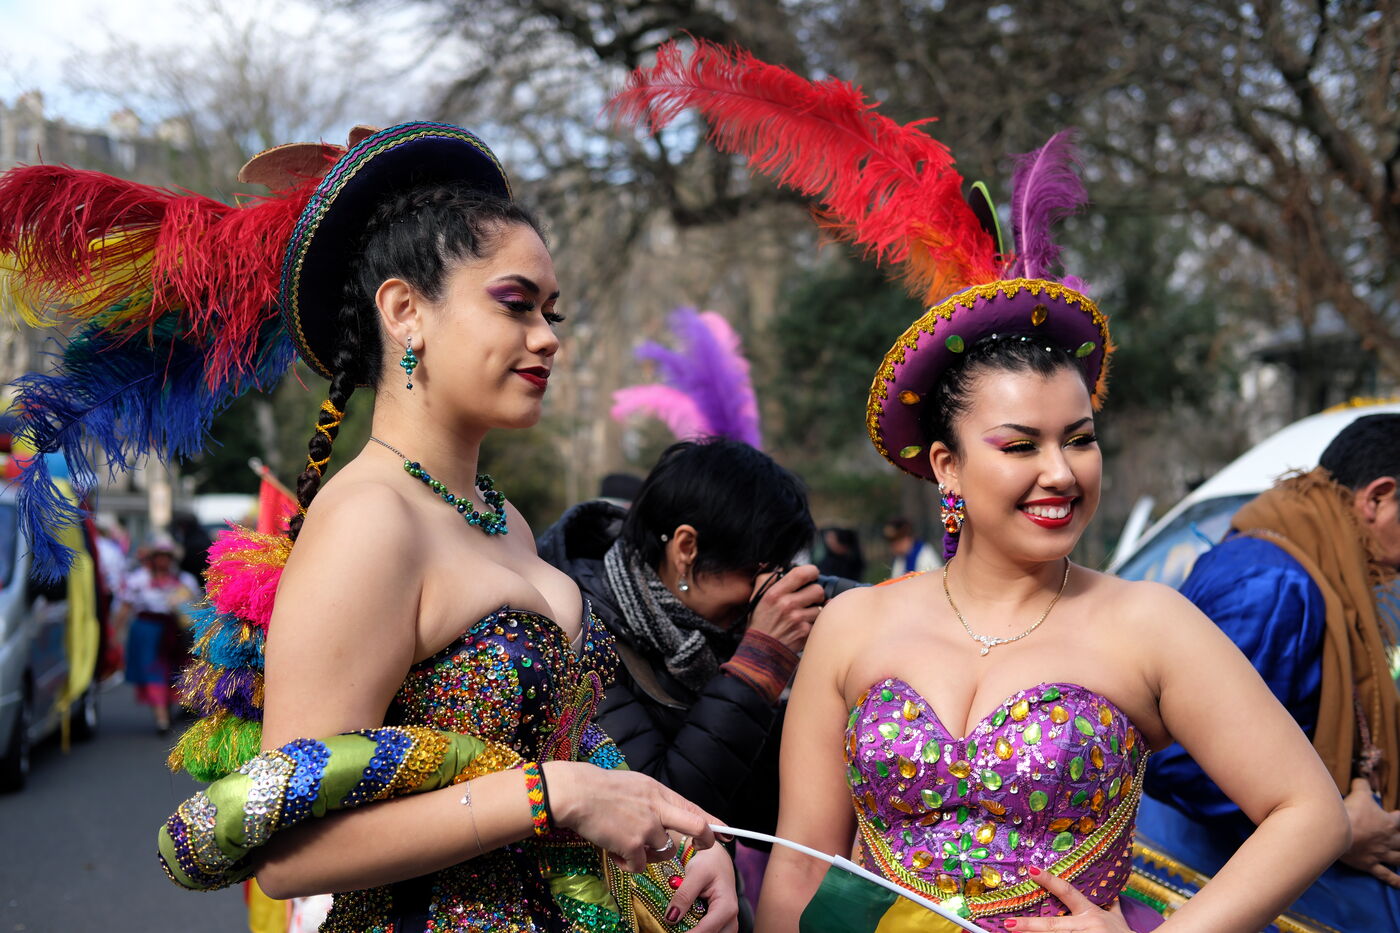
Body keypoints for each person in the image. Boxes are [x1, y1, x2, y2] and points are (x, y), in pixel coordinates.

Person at [612, 39, 1351, 932]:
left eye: (1080, 439)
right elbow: (802, 873)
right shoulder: (853, 624)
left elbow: (1308, 812)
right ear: (947, 465)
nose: (1060, 471)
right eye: (1020, 444)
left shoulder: (1149, 623)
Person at [0, 123, 735, 932]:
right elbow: (292, 854)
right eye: (516, 303)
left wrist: (678, 840)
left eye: (552, 312)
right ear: (404, 310)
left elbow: (554, 741)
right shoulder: (368, 521)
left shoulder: (506, 520)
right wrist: (547, 794)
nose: (547, 337)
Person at [538, 438, 824, 924]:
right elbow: (659, 811)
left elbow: (764, 808)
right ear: (686, 548)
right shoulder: (577, 625)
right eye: (758, 570)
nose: (764, 591)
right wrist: (758, 664)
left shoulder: (705, 634)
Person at [1136, 412, 1400, 930]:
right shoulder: (1271, 582)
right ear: (1377, 498)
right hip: (1215, 863)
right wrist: (1337, 824)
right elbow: (1182, 757)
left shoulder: (1303, 559)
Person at [112, 536, 199, 734]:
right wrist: (115, 633)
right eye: (159, 556)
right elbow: (125, 607)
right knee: (154, 672)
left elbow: (195, 607)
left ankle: (167, 710)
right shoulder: (138, 579)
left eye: (167, 556)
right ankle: (162, 718)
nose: (163, 560)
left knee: (175, 672)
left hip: (176, 632)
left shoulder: (185, 580)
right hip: (147, 631)